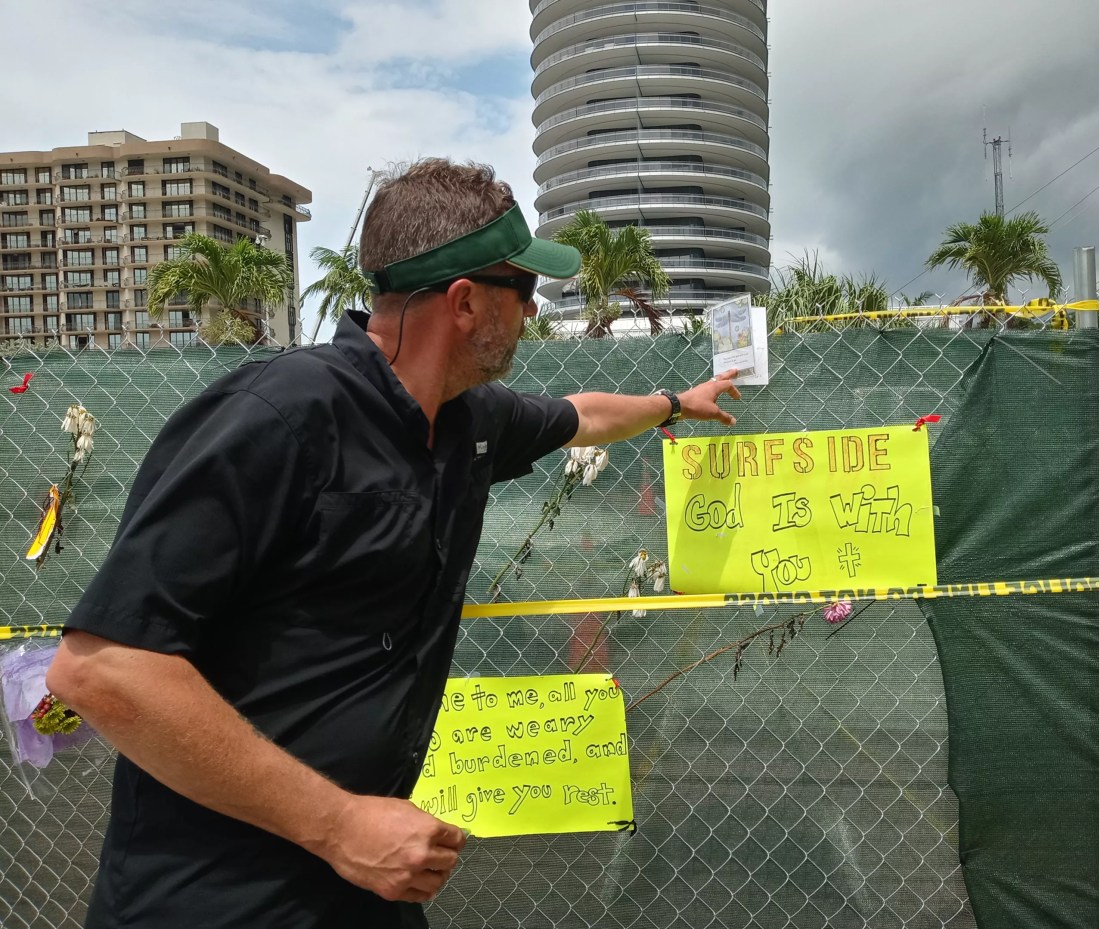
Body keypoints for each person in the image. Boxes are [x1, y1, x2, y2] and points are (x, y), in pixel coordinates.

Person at [47, 158, 742, 929]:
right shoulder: (282, 416)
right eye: (522, 290)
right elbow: (102, 667)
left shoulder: (470, 422)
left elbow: (582, 415)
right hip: (215, 898)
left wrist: (675, 402)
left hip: (364, 883)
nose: (531, 310)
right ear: (466, 302)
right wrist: (338, 824)